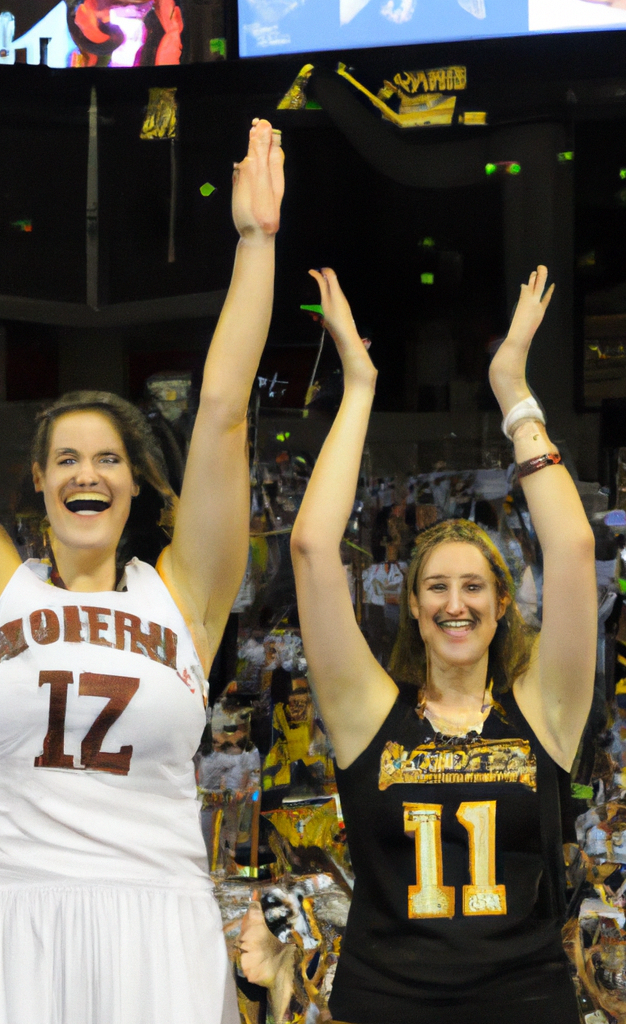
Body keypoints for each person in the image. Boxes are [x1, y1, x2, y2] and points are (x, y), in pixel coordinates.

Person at [0, 118, 285, 1024]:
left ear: (136, 484)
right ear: (42, 484)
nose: (87, 473)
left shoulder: (185, 594)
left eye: (107, 459)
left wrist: (256, 245)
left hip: (161, 917)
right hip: (19, 913)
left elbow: (223, 414)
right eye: (66, 460)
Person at [272, 266, 595, 1023]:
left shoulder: (544, 710)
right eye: (438, 589)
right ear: (413, 609)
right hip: (386, 1003)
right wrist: (357, 387)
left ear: (502, 604)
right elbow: (315, 548)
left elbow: (574, 548)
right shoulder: (368, 717)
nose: (457, 604)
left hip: (525, 1003)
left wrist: (514, 392)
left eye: (474, 587)